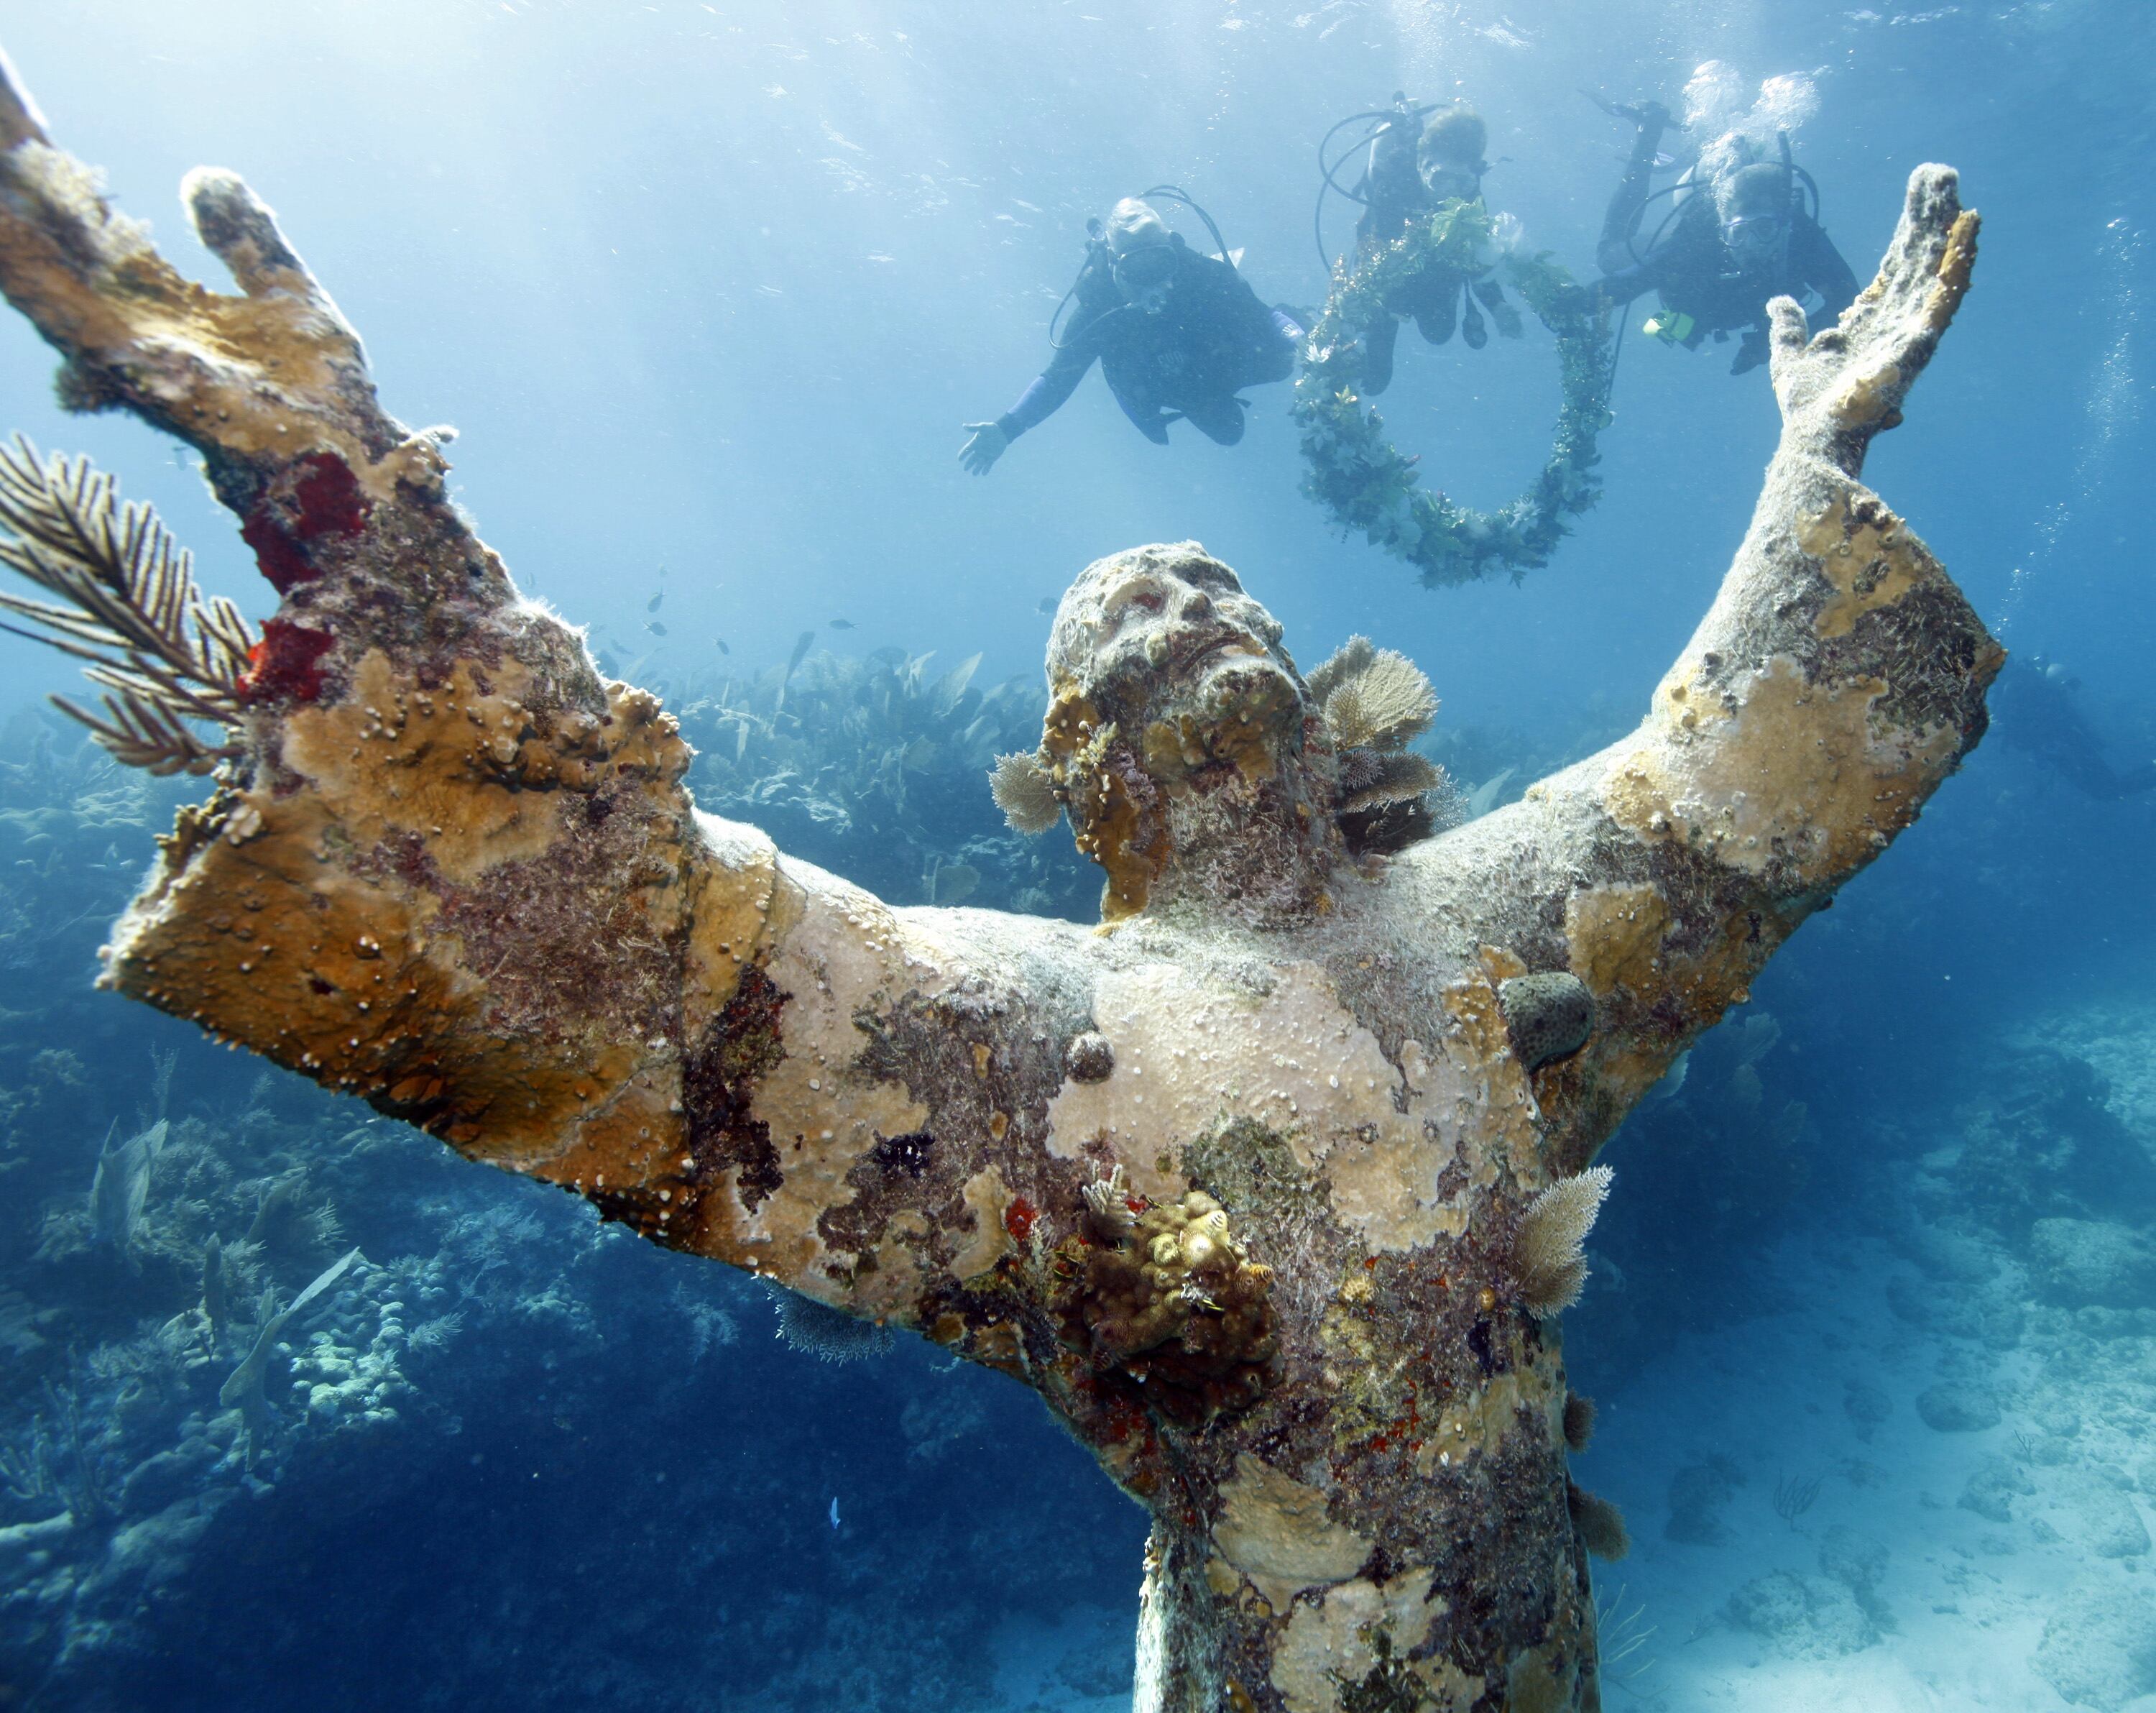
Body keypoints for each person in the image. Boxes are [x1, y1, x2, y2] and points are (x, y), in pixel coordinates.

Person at [960, 198, 1303, 473]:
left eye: (1162, 263)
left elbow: (1262, 314)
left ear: (1173, 252)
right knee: (1229, 432)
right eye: (1139, 270)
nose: (1156, 283)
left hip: (1209, 354)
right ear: (1114, 265)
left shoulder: (1198, 272)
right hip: (1168, 382)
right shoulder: (1098, 308)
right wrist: (1008, 428)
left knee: (1283, 363)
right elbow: (1058, 380)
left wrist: (1299, 336)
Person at [1595, 101, 1858, 375]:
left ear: (1783, 225)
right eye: (1740, 232)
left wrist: (1777, 344)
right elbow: (1631, 282)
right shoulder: (1696, 241)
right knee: (1609, 259)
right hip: (1686, 249)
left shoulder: (1802, 239)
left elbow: (1849, 300)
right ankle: (1648, 133)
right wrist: (1580, 302)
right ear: (1723, 228)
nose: (1752, 245)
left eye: (1765, 230)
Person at [1348, 98, 1521, 395]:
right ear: (1421, 163)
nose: (1449, 194)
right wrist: (1380, 314)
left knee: (1439, 334)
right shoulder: (1394, 185)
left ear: (1473, 177)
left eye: (1461, 183)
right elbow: (1372, 248)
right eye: (1441, 179)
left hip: (1438, 279)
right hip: (1384, 281)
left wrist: (1498, 305)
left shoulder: (1470, 202)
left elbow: (1479, 257)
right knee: (1376, 379)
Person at [1991, 655, 2156, 799]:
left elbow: (2009, 723)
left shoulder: (2012, 687)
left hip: (2062, 743)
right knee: (2107, 790)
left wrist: (1993, 726)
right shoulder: (2017, 683)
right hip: (2061, 743)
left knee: (2107, 791)